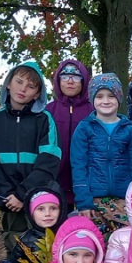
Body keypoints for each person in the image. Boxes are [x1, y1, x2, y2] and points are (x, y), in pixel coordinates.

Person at [0, 61, 61, 236]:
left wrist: (23, 194)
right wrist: (7, 196)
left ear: (37, 94)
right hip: (10, 203)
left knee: (42, 245)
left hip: (39, 200)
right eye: (19, 82)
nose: (23, 89)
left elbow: (49, 161)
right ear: (9, 84)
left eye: (30, 86)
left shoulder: (44, 119)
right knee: (14, 245)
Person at [70, 73, 132, 234]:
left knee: (125, 240)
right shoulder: (84, 128)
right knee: (96, 240)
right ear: (92, 99)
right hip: (93, 200)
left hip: (124, 199)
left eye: (111, 96)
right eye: (99, 96)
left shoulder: (129, 130)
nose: (105, 101)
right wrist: (83, 201)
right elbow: (79, 166)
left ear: (119, 98)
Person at [47, 59, 92, 209]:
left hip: (88, 186)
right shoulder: (48, 112)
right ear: (58, 81)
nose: (70, 81)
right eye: (65, 76)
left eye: (76, 77)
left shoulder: (94, 112)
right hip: (54, 184)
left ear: (84, 81)